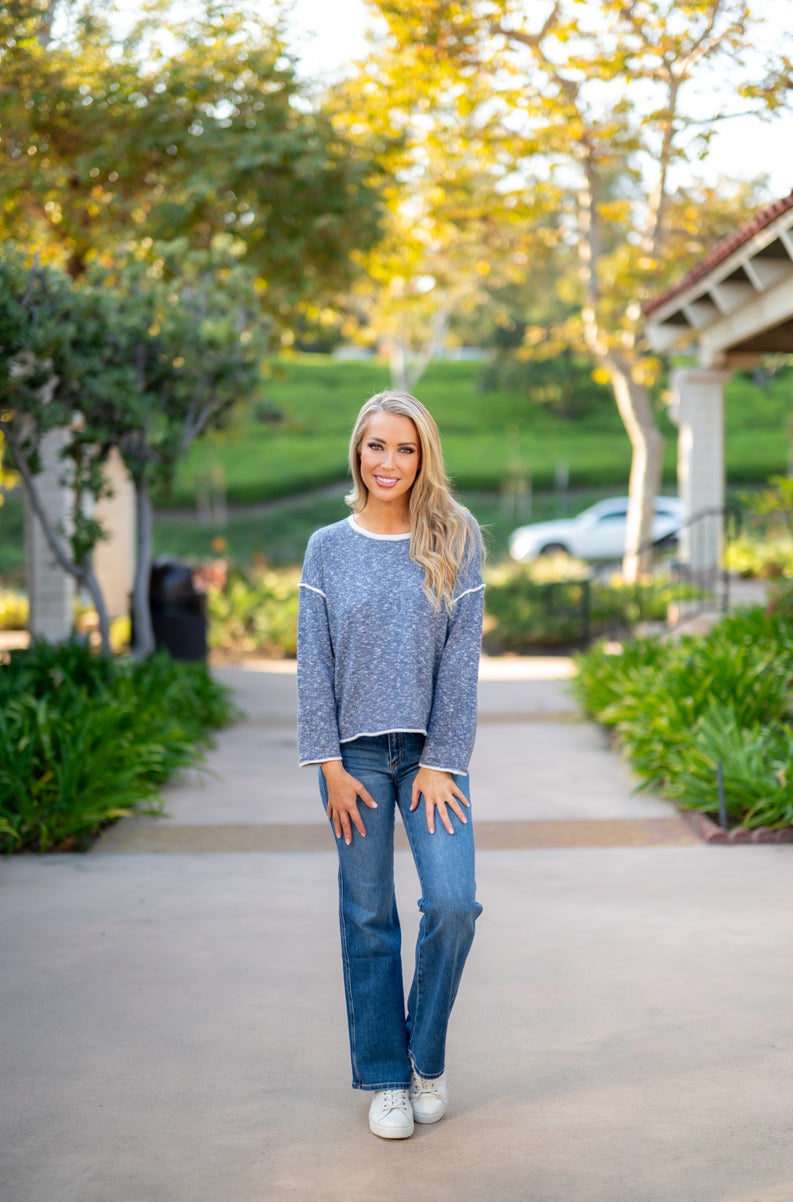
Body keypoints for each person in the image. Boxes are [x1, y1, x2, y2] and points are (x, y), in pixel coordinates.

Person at [296, 389, 485, 1140]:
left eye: (405, 449)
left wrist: (444, 759)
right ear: (358, 451)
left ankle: (425, 1058)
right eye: (377, 446)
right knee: (368, 915)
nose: (390, 462)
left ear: (423, 457)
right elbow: (314, 663)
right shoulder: (326, 547)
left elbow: (462, 663)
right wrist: (328, 765)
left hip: (432, 759)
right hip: (355, 759)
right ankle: (384, 1079)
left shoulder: (456, 537)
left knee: (452, 903)